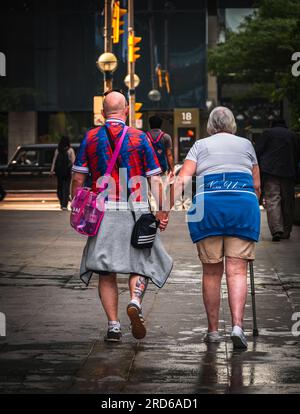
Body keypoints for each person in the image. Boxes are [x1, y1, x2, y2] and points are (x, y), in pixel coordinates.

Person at [71, 91, 172, 343]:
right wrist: (162, 210)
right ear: (126, 110)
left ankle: (114, 326)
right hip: (135, 210)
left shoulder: (91, 137)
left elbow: (78, 178)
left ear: (103, 113)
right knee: (139, 263)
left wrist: (76, 206)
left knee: (106, 271)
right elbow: (154, 179)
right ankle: (135, 301)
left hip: (102, 211)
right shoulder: (139, 138)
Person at [167, 107, 261, 349]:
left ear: (210, 125)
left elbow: (183, 180)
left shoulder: (199, 145)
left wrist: (163, 209)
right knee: (237, 270)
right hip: (242, 206)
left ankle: (213, 331)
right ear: (232, 124)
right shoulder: (246, 145)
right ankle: (238, 326)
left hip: (208, 207)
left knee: (211, 272)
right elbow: (257, 185)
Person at [255, 119, 300, 241]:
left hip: (270, 172)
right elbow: (297, 155)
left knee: (273, 199)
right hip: (288, 172)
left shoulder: (267, 134)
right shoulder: (292, 135)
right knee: (288, 201)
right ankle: (286, 231)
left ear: (272, 124)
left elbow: (257, 152)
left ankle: (276, 230)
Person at [50, 136, 75, 210]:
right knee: (66, 188)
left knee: (60, 188)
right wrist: (74, 171)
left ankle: (62, 202)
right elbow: (73, 161)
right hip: (67, 172)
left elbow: (54, 161)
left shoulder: (57, 150)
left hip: (59, 172)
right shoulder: (70, 150)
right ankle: (64, 204)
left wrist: (51, 171)